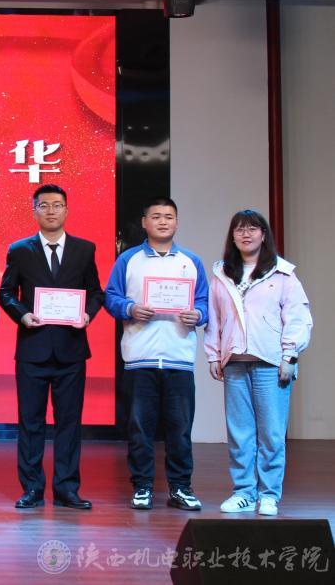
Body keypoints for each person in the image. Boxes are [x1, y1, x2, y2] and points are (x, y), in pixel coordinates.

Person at [0, 184, 104, 511]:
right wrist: (22, 315)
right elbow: (5, 293)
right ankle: (32, 488)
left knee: (69, 422)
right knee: (30, 422)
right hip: (33, 348)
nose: (51, 211)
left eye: (57, 205)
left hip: (71, 349)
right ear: (34, 211)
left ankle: (67, 489)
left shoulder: (84, 249)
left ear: (67, 210)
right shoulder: (20, 250)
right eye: (44, 205)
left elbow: (96, 292)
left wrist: (87, 315)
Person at [205, 210, 313, 517]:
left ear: (263, 235)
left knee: (271, 433)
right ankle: (243, 491)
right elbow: (215, 319)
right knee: (239, 433)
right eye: (240, 229)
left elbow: (297, 318)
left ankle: (269, 494)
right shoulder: (222, 274)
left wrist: (289, 355)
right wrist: (213, 354)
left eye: (253, 228)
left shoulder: (283, 274)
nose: (246, 234)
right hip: (235, 363)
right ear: (232, 236)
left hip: (271, 363)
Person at [104, 197, 208, 512]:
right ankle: (143, 487)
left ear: (177, 222)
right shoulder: (128, 259)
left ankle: (180, 488)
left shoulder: (191, 261)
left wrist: (198, 315)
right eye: (156, 216)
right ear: (144, 222)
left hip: (179, 358)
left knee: (180, 429)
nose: (163, 221)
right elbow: (111, 297)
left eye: (169, 216)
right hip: (140, 358)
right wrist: (130, 308)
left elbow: (203, 302)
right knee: (139, 428)